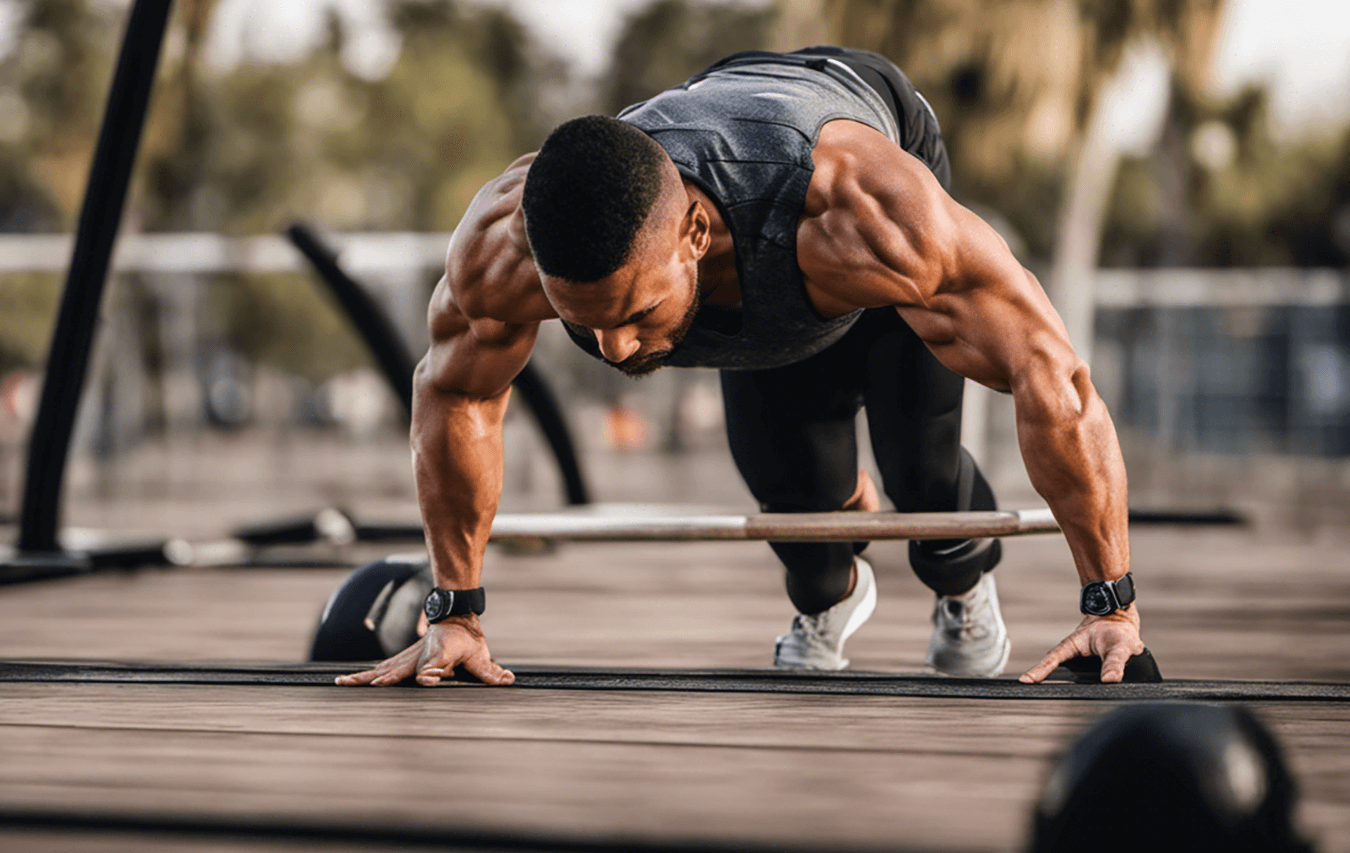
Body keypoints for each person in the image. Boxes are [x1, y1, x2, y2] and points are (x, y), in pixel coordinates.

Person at [336, 47, 1144, 689]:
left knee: (923, 476)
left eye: (635, 316)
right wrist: (457, 612)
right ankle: (836, 585)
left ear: (694, 236)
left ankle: (963, 591)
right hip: (742, 198)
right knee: (799, 513)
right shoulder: (504, 245)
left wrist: (1111, 602)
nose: (616, 350)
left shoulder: (866, 213)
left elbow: (1052, 372)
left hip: (839, 154)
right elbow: (456, 395)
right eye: (589, 324)